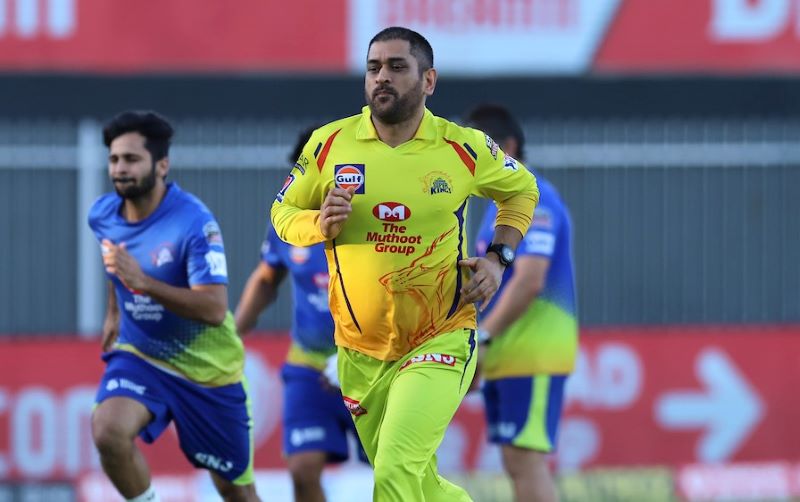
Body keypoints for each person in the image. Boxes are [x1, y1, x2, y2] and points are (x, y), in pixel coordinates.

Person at [270, 27, 539, 501]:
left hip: (441, 336)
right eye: (373, 68)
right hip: (360, 351)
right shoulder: (329, 144)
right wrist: (319, 222)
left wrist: (499, 258)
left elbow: (522, 191)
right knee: (418, 484)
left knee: (394, 471)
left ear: (428, 80)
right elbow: (282, 213)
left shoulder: (464, 148)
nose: (382, 77)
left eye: (397, 67)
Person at [87, 110, 260, 502]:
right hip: (141, 355)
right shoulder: (102, 215)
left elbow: (214, 308)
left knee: (236, 491)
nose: (120, 168)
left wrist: (144, 283)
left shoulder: (194, 223)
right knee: (108, 431)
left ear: (161, 165)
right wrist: (114, 312)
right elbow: (116, 261)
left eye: (132, 159)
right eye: (114, 159)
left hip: (208, 372)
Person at [235, 126, 367, 502]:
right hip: (309, 366)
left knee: (394, 472)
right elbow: (266, 279)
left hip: (373, 367)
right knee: (302, 469)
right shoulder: (288, 223)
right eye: (301, 174)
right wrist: (230, 336)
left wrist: (352, 357)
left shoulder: (375, 221)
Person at [467, 104, 578, 502]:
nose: (469, 164)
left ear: (508, 148)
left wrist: (483, 338)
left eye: (477, 152)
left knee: (526, 461)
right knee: (517, 462)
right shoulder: (497, 206)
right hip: (508, 350)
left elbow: (530, 280)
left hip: (533, 351)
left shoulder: (537, 198)